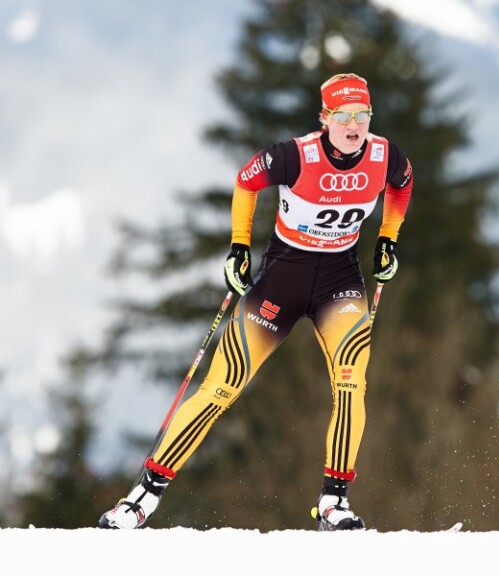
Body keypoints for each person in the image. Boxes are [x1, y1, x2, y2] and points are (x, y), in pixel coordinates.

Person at [99, 72, 413, 531]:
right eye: (342, 115)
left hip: (339, 281)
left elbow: (403, 184)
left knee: (351, 381)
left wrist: (387, 239)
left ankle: (334, 502)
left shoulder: (385, 156)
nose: (353, 125)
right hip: (282, 280)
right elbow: (247, 181)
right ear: (324, 118)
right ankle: (142, 497)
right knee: (221, 387)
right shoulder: (294, 156)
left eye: (361, 115)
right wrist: (239, 248)